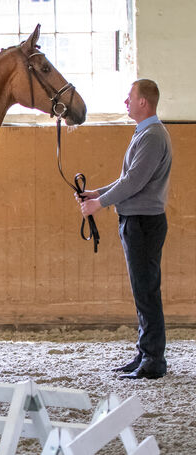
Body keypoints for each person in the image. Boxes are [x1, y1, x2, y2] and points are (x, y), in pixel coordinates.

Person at [78, 79, 172, 380]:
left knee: (146, 291)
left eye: (130, 97)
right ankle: (146, 353)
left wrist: (100, 203)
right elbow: (128, 179)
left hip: (143, 222)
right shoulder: (145, 133)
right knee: (142, 289)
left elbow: (134, 182)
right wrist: (97, 193)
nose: (126, 101)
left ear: (144, 101)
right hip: (138, 220)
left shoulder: (153, 136)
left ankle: (154, 360)